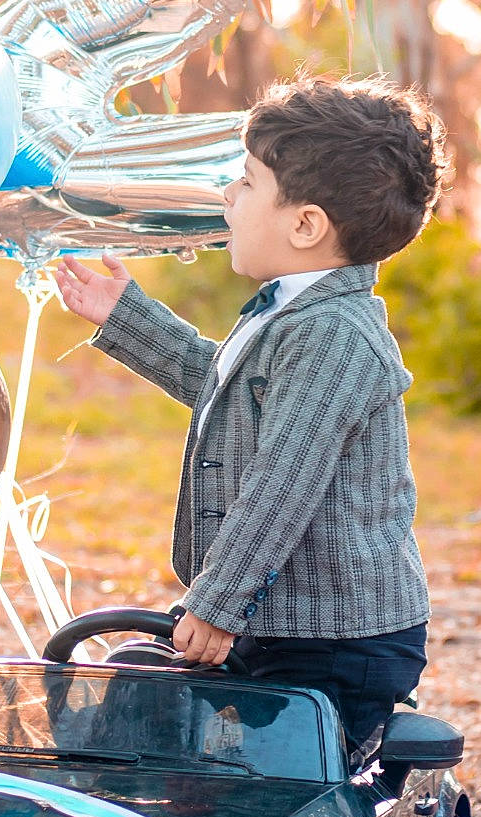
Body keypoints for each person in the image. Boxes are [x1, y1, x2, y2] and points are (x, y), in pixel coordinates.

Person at [54, 75, 449, 762]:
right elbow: (225, 389)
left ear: (305, 225)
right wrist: (126, 317)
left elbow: (282, 484)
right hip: (276, 624)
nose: (227, 196)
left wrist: (216, 604)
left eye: (246, 183)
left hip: (333, 642)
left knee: (257, 775)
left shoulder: (334, 333)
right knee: (131, 688)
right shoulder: (295, 313)